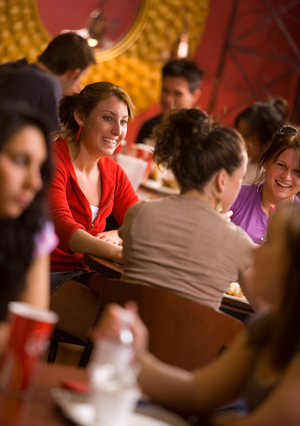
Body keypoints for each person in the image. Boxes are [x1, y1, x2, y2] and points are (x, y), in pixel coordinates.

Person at [95, 202, 300, 426]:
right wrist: (134, 353)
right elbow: (197, 393)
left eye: (269, 243)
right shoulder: (267, 325)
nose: (254, 250)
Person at [119, 108, 258, 311]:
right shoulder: (237, 241)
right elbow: (265, 305)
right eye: (240, 177)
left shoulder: (139, 213)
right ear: (222, 181)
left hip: (129, 337)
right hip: (194, 342)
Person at [49, 81, 139, 341]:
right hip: (44, 273)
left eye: (123, 122)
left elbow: (141, 222)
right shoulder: (56, 160)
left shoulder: (113, 172)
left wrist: (118, 234)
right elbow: (65, 229)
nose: (117, 130)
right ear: (80, 117)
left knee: (139, 310)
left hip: (86, 272)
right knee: (117, 335)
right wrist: (117, 252)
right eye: (107, 118)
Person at [0, 101, 57, 356]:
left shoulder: (33, 230)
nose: (34, 183)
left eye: (40, 168)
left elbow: (30, 333)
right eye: (21, 161)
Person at [0, 33, 96, 131]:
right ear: (74, 74)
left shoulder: (8, 68)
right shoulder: (48, 85)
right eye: (83, 75)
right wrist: (71, 105)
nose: (79, 84)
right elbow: (56, 140)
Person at [231, 125, 300, 244]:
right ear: (267, 161)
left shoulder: (296, 222)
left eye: (297, 171)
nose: (287, 177)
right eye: (281, 165)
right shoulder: (235, 196)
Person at [135, 58, 204, 145]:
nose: (168, 99)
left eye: (178, 94)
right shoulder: (149, 127)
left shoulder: (199, 135)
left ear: (195, 96)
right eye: (165, 90)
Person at [235, 97, 289, 183]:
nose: (238, 138)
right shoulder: (244, 161)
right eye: (238, 132)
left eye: (246, 135)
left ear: (267, 141)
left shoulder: (265, 177)